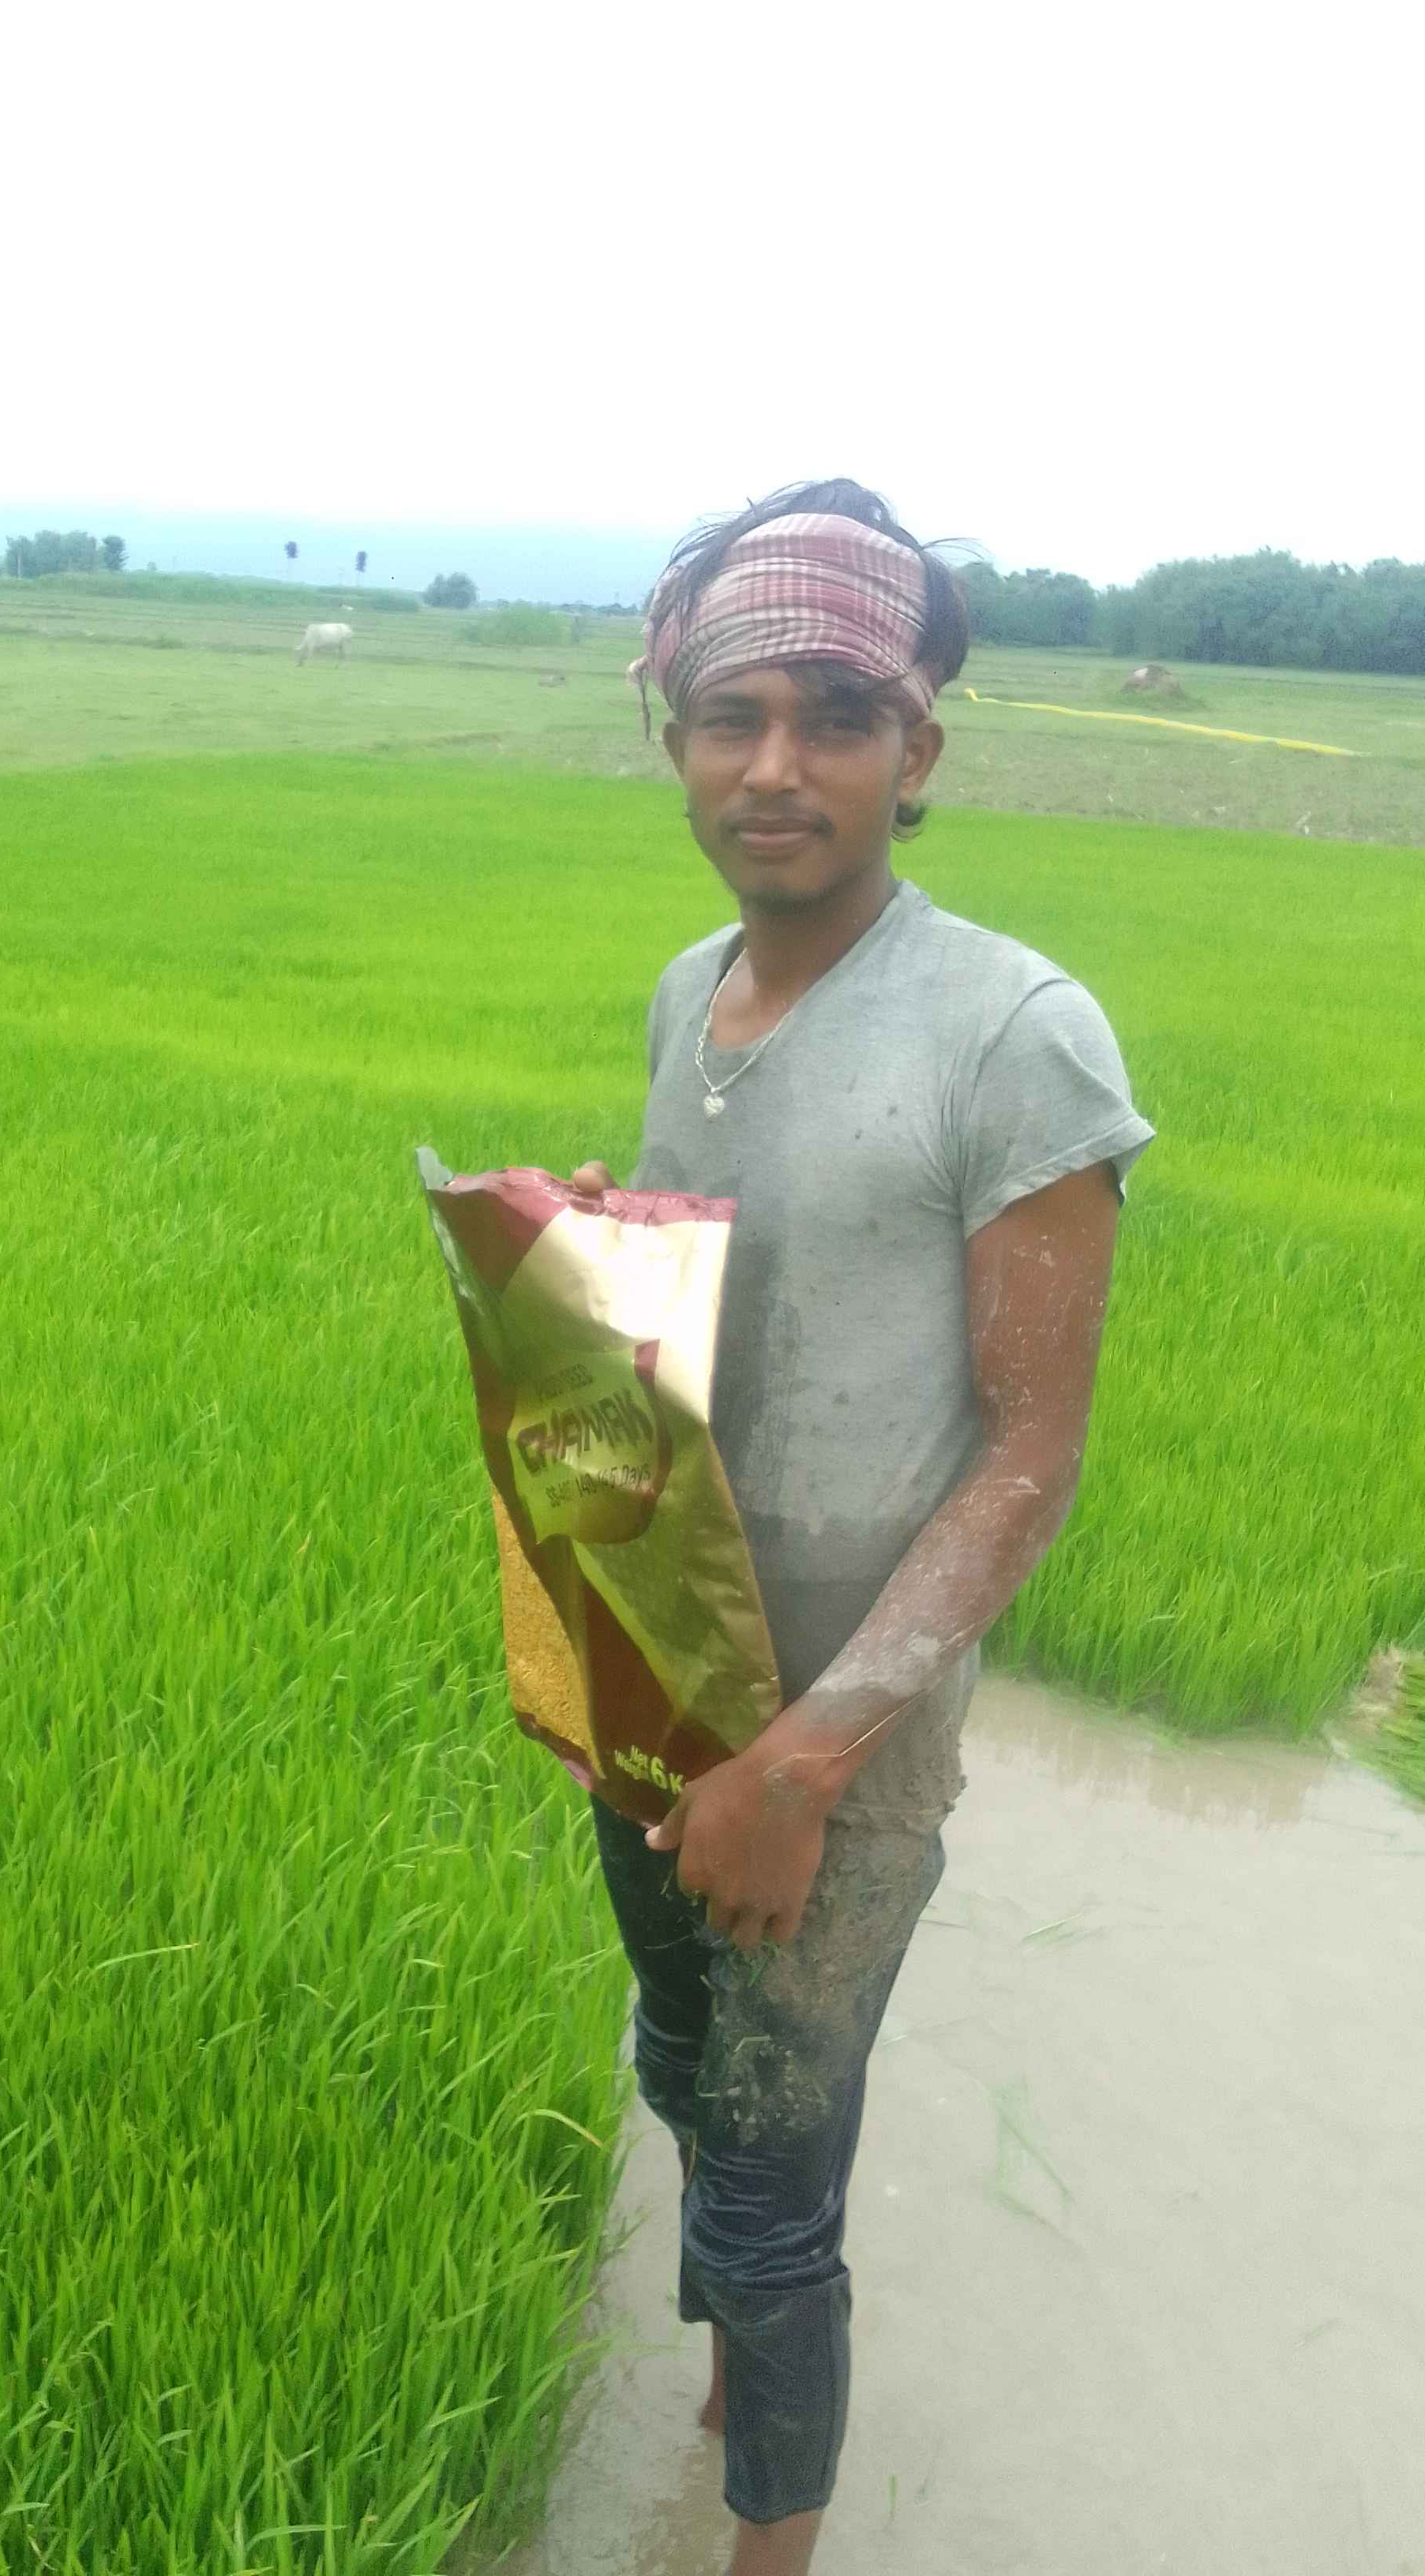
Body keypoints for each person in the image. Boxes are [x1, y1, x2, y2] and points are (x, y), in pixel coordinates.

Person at [569, 479, 1157, 2574]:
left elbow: (1030, 1456)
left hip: (843, 1745)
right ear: (675, 739)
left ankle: (765, 2541)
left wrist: (807, 1763)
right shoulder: (686, 990)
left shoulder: (1013, 1032)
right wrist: (583, 1278)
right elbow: (720, 1318)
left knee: (766, 2196)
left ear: (920, 750)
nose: (777, 766)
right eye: (733, 716)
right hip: (659, 1689)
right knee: (677, 2071)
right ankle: (729, 2392)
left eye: (835, 716)